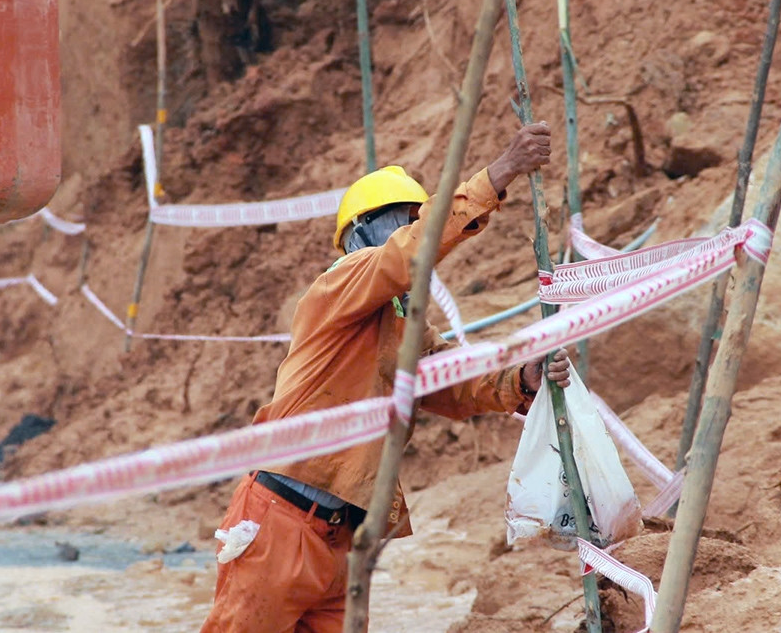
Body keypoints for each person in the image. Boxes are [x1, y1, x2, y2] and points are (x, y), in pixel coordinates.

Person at [200, 122, 571, 633]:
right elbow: (406, 254)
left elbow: (447, 381)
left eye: (413, 221)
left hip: (342, 540)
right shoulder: (340, 282)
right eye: (400, 222)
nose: (410, 230)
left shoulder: (403, 320)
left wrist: (520, 381)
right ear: (360, 232)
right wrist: (499, 173)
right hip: (280, 521)